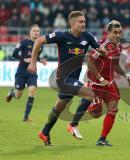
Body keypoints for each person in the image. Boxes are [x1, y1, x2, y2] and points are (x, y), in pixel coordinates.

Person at [27, 11, 106, 146]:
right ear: (72, 23)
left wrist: (101, 52)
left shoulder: (88, 36)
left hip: (74, 78)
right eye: (81, 21)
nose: (84, 24)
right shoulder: (62, 35)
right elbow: (39, 40)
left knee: (58, 108)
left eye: (84, 21)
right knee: (90, 94)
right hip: (63, 78)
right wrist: (33, 62)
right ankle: (73, 125)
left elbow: (101, 50)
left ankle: (44, 132)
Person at [66, 20, 130, 146]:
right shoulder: (101, 45)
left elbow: (116, 64)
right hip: (96, 82)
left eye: (120, 33)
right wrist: (101, 79)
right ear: (108, 33)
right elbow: (90, 63)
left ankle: (101, 139)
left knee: (113, 109)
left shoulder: (118, 46)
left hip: (110, 83)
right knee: (96, 113)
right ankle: (73, 124)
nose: (118, 35)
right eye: (115, 32)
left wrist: (125, 74)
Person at [5, 24, 47, 121]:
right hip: (21, 71)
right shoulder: (23, 42)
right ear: (30, 32)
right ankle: (12, 93)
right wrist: (24, 59)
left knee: (32, 91)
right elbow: (14, 54)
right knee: (18, 95)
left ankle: (26, 117)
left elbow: (36, 56)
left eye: (37, 31)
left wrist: (41, 60)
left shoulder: (40, 44)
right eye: (34, 31)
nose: (36, 32)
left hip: (32, 71)